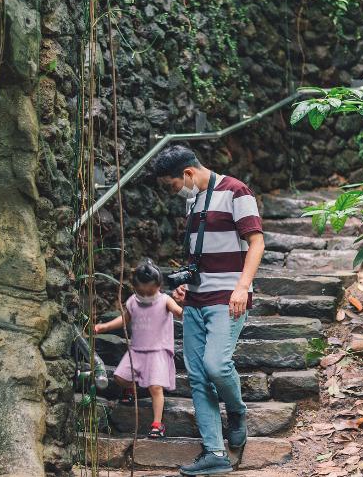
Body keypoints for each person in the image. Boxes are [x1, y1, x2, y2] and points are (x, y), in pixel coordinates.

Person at [152, 145, 265, 476]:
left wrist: (242, 287)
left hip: (228, 298)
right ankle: (215, 453)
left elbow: (256, 242)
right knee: (199, 377)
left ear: (187, 173)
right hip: (196, 300)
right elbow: (199, 253)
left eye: (171, 185)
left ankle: (237, 410)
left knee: (216, 365)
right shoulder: (193, 199)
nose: (173, 192)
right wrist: (186, 283)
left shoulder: (235, 191)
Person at [94, 259, 183, 439]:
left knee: (155, 387)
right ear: (135, 287)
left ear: (158, 286)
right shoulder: (133, 302)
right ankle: (130, 389)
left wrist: (186, 305)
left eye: (150, 292)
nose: (146, 295)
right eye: (141, 291)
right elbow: (125, 318)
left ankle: (157, 423)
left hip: (158, 350)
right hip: (136, 350)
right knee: (119, 378)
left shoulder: (165, 300)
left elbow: (179, 313)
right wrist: (104, 327)